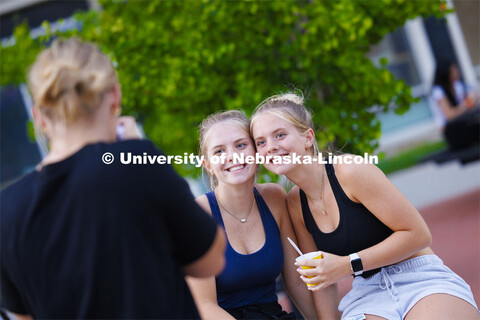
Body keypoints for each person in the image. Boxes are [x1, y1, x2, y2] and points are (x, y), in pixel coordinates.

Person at [0, 38, 226, 319]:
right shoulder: (135, 165)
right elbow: (210, 261)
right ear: (115, 96)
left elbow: (22, 315)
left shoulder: (6, 209)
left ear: (39, 117)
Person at [250, 93, 479, 319]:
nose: (270, 147)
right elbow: (321, 281)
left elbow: (419, 234)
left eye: (280, 135)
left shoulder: (350, 171)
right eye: (261, 142)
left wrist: (347, 264)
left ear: (308, 138)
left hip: (419, 278)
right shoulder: (295, 202)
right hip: (367, 293)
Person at [186, 110, 331, 319]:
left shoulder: (274, 198)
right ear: (208, 165)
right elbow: (204, 306)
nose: (232, 156)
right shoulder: (198, 215)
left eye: (240, 145)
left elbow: (297, 282)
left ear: (256, 151)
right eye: (219, 151)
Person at [430, 60, 480, 150]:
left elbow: (468, 105)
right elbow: (450, 115)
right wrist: (468, 103)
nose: (457, 71)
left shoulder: (457, 86)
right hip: (452, 131)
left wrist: (474, 99)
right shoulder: (438, 91)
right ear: (446, 73)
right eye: (453, 70)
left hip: (463, 124)